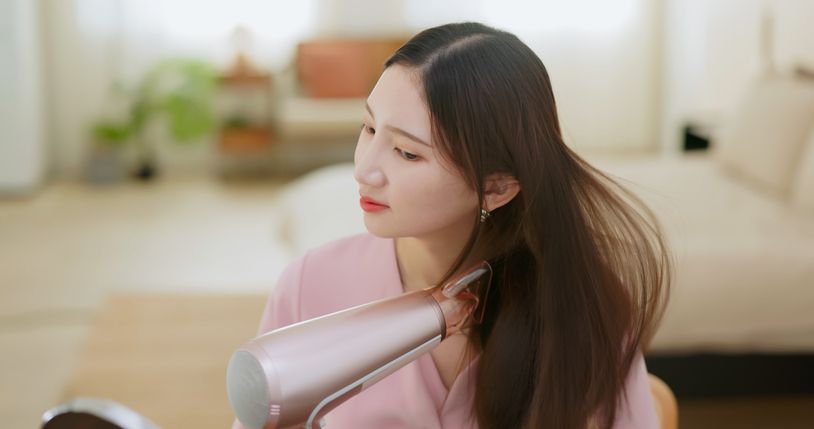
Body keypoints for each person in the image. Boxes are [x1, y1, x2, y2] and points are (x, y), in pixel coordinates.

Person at [232, 21, 671, 429]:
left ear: (497, 187)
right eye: (368, 128)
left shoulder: (585, 309)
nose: (364, 170)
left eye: (407, 153)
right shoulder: (310, 285)